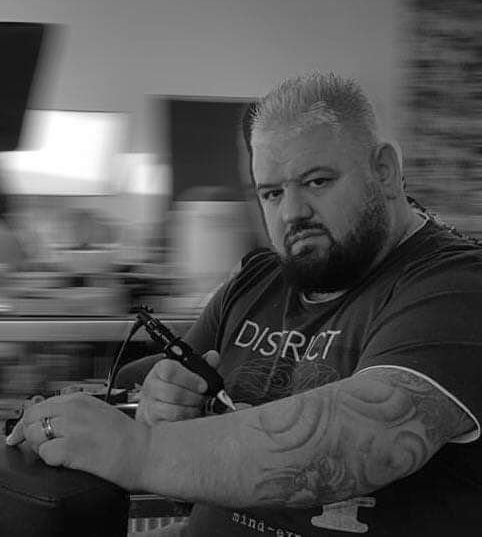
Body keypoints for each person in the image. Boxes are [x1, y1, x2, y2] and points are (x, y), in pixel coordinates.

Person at [6, 71, 482, 537]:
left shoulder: (455, 283)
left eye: (317, 182)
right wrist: (163, 402)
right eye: (272, 193)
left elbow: (369, 438)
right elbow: (174, 383)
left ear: (385, 171)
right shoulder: (258, 280)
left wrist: (141, 450)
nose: (292, 212)